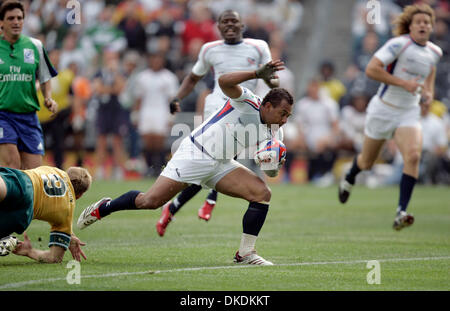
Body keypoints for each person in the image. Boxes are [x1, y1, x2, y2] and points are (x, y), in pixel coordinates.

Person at [77, 60, 293, 265]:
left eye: (288, 116)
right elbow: (224, 82)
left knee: (262, 194)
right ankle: (103, 208)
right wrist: (256, 74)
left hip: (221, 164)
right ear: (266, 106)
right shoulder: (249, 102)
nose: (284, 120)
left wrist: (271, 163)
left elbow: (271, 173)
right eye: (282, 113)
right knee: (150, 201)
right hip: (195, 154)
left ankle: (246, 252)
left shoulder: (276, 133)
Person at [338, 4, 442, 230]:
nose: (423, 25)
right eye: (419, 22)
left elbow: (430, 73)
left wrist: (428, 93)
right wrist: (404, 83)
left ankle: (401, 211)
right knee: (366, 162)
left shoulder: (435, 52)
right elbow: (372, 69)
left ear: (431, 26)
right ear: (411, 26)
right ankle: (350, 175)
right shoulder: (398, 44)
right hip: (383, 109)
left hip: (409, 112)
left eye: (427, 22)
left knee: (413, 156)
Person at [168, 9, 277, 224]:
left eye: (233, 21)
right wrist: (177, 97)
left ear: (242, 26)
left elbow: (273, 81)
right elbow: (192, 78)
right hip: (217, 107)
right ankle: (209, 200)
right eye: (224, 21)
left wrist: (270, 78)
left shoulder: (258, 47)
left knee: (212, 163)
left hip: (246, 109)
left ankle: (173, 206)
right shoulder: (209, 49)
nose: (229, 25)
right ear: (218, 27)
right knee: (218, 157)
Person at [0, 0, 58, 170]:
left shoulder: (35, 46)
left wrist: (48, 98)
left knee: (33, 174)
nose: (16, 22)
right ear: (1, 22)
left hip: (29, 117)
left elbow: (45, 76)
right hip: (3, 115)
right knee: (11, 165)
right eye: (11, 18)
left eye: (19, 18)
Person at [0, 165, 91, 263]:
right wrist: (29, 252)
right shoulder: (67, 212)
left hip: (22, 179)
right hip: (26, 207)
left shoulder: (53, 169)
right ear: (80, 195)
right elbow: (54, 257)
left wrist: (71, 235)